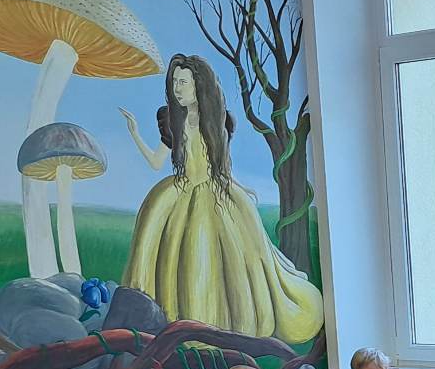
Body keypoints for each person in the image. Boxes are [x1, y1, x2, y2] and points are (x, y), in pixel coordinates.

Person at [120, 53, 324, 345]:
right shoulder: (173, 122)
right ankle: (171, 320)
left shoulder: (218, 122)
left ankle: (225, 322)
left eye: (183, 82)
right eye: (175, 82)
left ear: (199, 85)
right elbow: (156, 162)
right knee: (177, 251)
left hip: (215, 192)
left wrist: (239, 187)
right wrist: (135, 133)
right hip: (180, 191)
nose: (177, 89)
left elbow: (222, 166)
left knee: (224, 255)